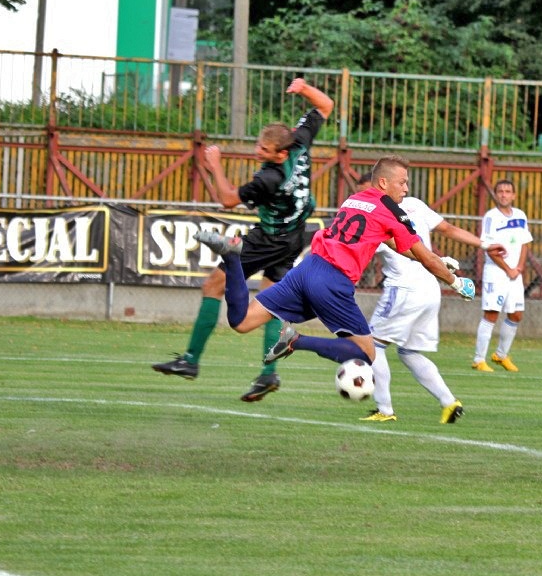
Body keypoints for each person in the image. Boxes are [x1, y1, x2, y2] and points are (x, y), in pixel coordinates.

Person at [194, 155, 503, 399]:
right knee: (366, 352)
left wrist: (436, 261)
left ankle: (233, 259)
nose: (406, 189)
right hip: (332, 281)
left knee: (242, 321)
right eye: (403, 183)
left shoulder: (355, 200)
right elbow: (423, 254)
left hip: (307, 269)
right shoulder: (391, 209)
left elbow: (399, 246)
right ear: (384, 182)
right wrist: (455, 281)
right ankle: (296, 341)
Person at [152, 78, 334, 402]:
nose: (257, 151)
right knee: (270, 303)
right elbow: (326, 105)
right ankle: (268, 374)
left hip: (268, 239)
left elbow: (226, 199)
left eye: (263, 149)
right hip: (293, 236)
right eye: (258, 144)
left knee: (212, 285)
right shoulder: (301, 143)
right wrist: (305, 88)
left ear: (279, 154)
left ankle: (191, 361)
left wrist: (214, 165)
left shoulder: (269, 178)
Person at [364, 178, 501, 424]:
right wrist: (485, 244)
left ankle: (384, 409)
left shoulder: (376, 215)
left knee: (373, 345)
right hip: (431, 287)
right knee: (408, 352)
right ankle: (449, 402)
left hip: (403, 289)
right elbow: (448, 229)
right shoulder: (415, 205)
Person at [472, 180, 533, 373]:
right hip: (497, 273)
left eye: (508, 191)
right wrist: (507, 268)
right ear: (496, 195)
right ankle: (479, 359)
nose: (504, 195)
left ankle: (500, 355)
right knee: (491, 314)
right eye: (500, 191)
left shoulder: (521, 215)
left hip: (515, 273)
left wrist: (520, 267)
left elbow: (525, 243)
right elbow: (489, 248)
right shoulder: (491, 217)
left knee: (516, 314)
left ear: (514, 195)